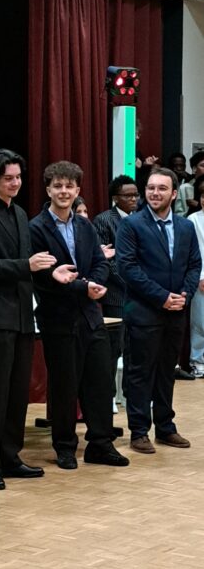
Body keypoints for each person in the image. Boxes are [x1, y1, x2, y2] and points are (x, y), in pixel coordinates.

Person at [0, 148, 76, 490]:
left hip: (24, 315)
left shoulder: (20, 212)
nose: (15, 183)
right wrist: (27, 266)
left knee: (16, 395)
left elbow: (30, 264)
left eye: (18, 177)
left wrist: (51, 273)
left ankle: (10, 456)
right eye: (8, 178)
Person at [29, 160, 129, 471]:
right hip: (58, 318)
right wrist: (85, 287)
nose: (64, 191)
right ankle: (65, 447)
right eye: (57, 186)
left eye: (69, 186)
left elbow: (100, 261)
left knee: (99, 382)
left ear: (77, 190)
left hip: (90, 315)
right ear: (48, 190)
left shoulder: (85, 226)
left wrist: (94, 283)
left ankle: (100, 444)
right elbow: (43, 276)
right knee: (64, 386)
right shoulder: (35, 228)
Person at [116, 166, 201, 454]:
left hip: (176, 312)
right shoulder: (132, 225)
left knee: (167, 372)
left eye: (162, 188)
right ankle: (139, 431)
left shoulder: (186, 226)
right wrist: (162, 296)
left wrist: (185, 295)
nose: (155, 193)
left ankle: (166, 427)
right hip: (144, 312)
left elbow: (194, 264)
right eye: (151, 188)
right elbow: (127, 268)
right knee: (140, 374)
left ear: (174, 193)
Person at [93, 175, 139, 401]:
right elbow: (106, 262)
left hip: (140, 295)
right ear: (115, 198)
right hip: (116, 294)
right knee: (114, 348)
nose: (133, 199)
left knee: (135, 346)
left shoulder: (141, 218)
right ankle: (108, 396)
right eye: (127, 196)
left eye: (136, 195)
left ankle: (132, 394)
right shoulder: (104, 220)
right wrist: (132, 281)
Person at [186, 174, 204, 378]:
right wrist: (201, 276)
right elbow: (196, 251)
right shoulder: (193, 220)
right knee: (200, 322)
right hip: (200, 277)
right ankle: (198, 361)